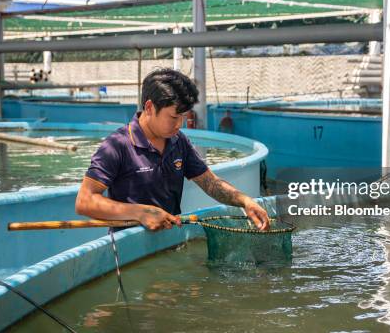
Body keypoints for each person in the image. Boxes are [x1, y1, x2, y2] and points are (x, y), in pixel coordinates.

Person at [76, 68, 270, 232]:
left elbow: (211, 183)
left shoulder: (178, 141)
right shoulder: (117, 145)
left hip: (169, 242)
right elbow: (85, 201)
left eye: (184, 117)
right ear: (150, 107)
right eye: (174, 117)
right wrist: (139, 212)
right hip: (129, 251)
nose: (180, 124)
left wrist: (245, 201)